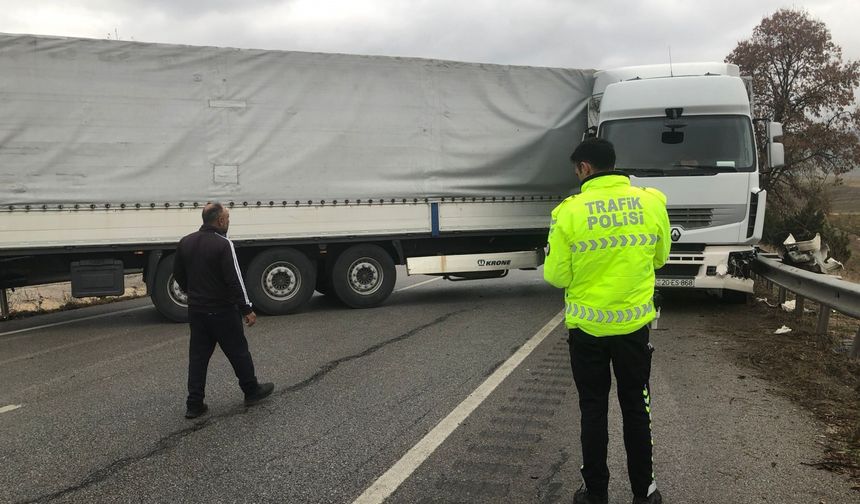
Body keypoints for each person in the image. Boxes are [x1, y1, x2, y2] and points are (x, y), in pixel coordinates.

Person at [544, 138, 670, 504]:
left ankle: (595, 493)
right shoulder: (651, 202)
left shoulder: (568, 212)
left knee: (593, 409)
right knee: (636, 406)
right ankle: (644, 492)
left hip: (587, 332)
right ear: (614, 163)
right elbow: (660, 257)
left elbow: (557, 276)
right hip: (633, 330)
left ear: (584, 167)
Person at [174, 202, 274, 419]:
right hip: (222, 310)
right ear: (220, 221)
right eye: (227, 218)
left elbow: (179, 275)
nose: (228, 222)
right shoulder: (223, 244)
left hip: (197, 311)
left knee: (198, 357)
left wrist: (193, 293)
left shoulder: (186, 242)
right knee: (238, 351)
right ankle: (251, 390)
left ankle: (194, 403)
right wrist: (246, 308)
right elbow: (234, 280)